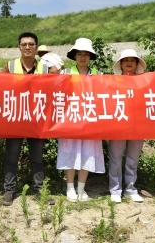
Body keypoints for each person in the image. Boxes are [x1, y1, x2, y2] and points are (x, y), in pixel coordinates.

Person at [1, 32, 53, 206]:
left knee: (37, 157)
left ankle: (40, 191)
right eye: (24, 44)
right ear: (19, 47)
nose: (28, 47)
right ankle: (9, 190)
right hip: (15, 118)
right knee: (12, 156)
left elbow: (54, 90)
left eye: (31, 44)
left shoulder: (45, 69)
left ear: (36, 47)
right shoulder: (9, 66)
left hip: (37, 120)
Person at [57, 38, 105, 202]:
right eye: (79, 54)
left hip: (90, 120)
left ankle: (81, 188)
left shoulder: (98, 75)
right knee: (69, 151)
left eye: (86, 54)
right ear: (74, 56)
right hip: (70, 119)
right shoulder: (66, 73)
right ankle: (70, 187)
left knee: (87, 153)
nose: (83, 57)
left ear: (90, 56)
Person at [108, 49, 147, 203]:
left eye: (132, 60)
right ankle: (115, 189)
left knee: (133, 158)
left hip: (138, 125)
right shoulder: (112, 81)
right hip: (118, 124)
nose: (129, 63)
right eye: (126, 60)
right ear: (121, 64)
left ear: (137, 63)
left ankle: (131, 188)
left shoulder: (144, 80)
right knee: (115, 157)